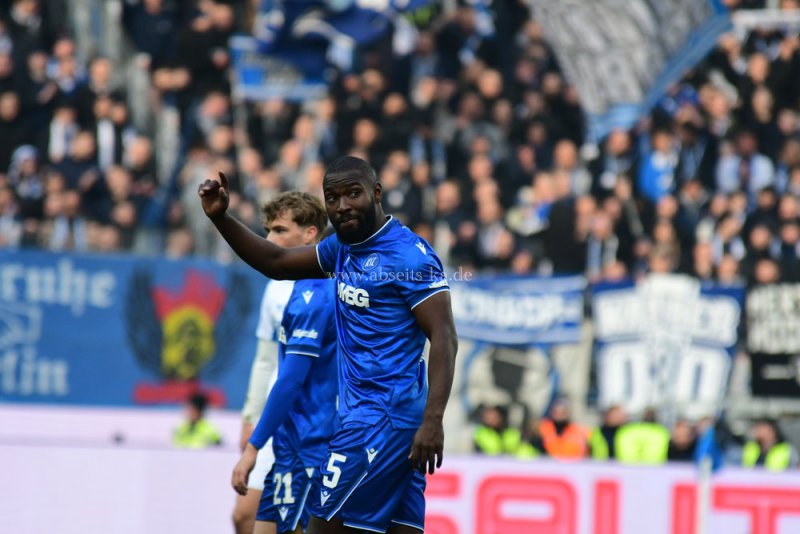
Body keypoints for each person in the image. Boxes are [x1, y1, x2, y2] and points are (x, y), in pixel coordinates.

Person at [199, 155, 458, 534]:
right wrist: (221, 218)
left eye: (353, 194)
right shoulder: (342, 249)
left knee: (321, 528)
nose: (342, 206)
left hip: (380, 421)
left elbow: (445, 336)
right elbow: (276, 262)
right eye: (332, 198)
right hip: (375, 421)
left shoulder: (408, 256)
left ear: (376, 193)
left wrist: (433, 420)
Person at [232, 192, 326, 534]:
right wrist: (250, 416)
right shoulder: (275, 287)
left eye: (280, 231)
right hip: (276, 419)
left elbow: (297, 375)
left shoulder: (326, 288)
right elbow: (265, 359)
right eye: (268, 231)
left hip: (313, 427)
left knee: (299, 525)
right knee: (244, 516)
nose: (269, 240)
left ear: (310, 234)